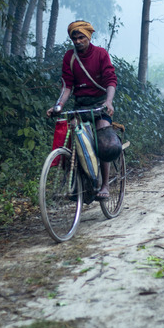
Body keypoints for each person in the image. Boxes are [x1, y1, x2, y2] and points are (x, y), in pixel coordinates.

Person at [46, 20, 118, 201]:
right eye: (75, 38)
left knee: (104, 142)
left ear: (89, 37)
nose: (78, 41)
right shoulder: (69, 57)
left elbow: (110, 80)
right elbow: (67, 86)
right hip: (81, 105)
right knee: (73, 140)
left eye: (81, 37)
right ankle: (78, 183)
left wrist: (109, 102)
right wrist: (58, 106)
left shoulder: (101, 54)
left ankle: (104, 185)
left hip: (100, 104)